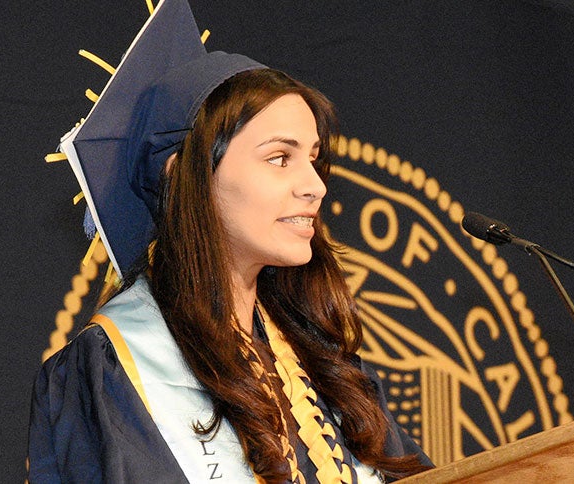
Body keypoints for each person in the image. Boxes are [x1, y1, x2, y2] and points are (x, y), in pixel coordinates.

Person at [28, 1, 433, 482]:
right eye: (280, 158)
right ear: (185, 176)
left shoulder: (322, 362)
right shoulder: (115, 366)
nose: (316, 185)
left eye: (313, 158)